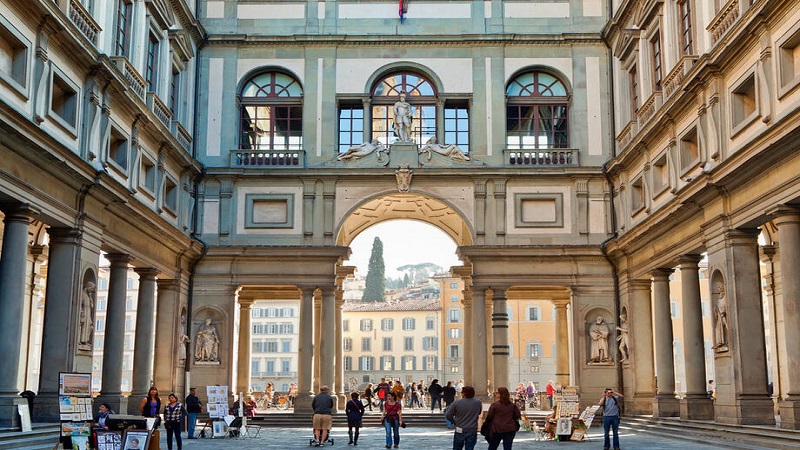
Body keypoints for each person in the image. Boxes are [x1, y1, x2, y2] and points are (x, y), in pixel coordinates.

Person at [445, 386, 482, 450]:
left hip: (460, 428)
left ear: (464, 393)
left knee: (457, 447)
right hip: (472, 429)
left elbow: (448, 414)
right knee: (470, 447)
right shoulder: (478, 402)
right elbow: (478, 412)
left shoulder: (457, 403)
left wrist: (454, 421)